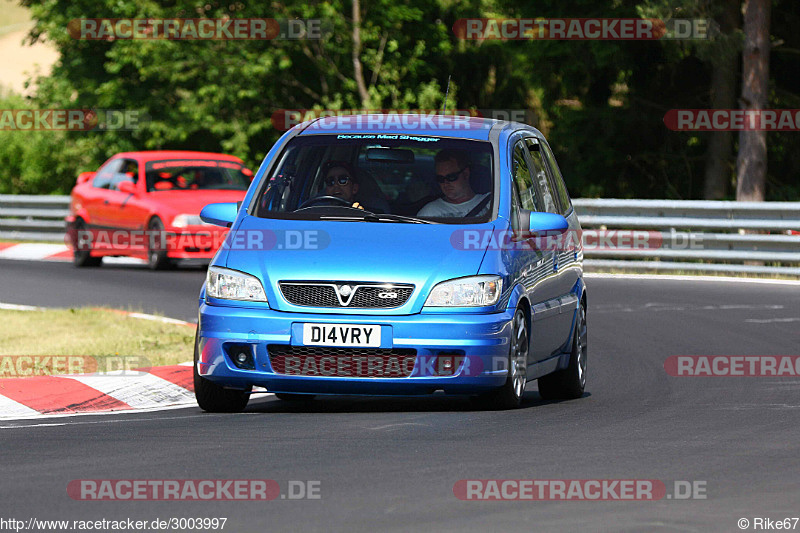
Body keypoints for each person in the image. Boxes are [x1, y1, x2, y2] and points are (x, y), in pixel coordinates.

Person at [417, 149, 490, 218]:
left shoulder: (492, 204)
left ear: (466, 174)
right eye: (440, 179)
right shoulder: (429, 213)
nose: (446, 183)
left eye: (451, 177)